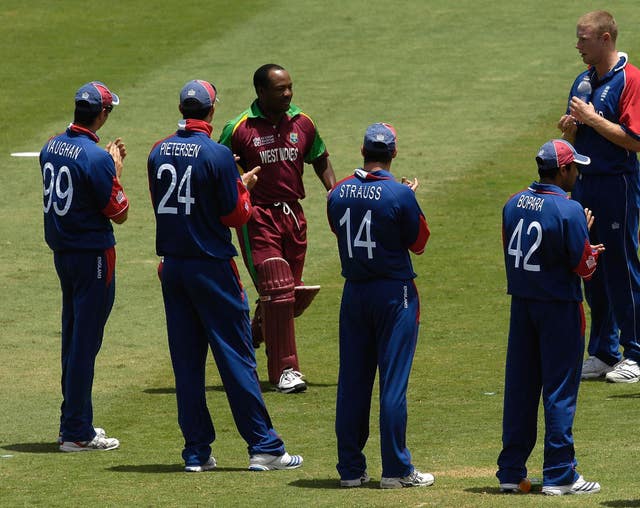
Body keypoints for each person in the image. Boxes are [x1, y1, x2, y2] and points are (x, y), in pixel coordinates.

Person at [148, 79, 303, 473]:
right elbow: (236, 215)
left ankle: (196, 453)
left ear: (183, 109)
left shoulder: (157, 150)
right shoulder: (217, 155)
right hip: (212, 266)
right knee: (236, 357)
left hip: (173, 266)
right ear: (212, 110)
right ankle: (264, 447)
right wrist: (243, 188)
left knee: (186, 363)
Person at [218, 63, 336, 393]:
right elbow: (215, 163)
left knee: (287, 296)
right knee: (278, 287)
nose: (287, 94)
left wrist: (333, 191)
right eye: (280, 89)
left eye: (289, 87)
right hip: (257, 215)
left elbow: (320, 157)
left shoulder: (303, 122)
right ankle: (286, 371)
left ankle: (252, 333)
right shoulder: (239, 127)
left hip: (293, 217)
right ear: (260, 92)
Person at [327, 123, 433, 489]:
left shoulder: (338, 192)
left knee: (353, 382)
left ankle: (350, 471)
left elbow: (339, 229)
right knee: (393, 383)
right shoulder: (400, 196)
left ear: (362, 151)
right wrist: (408, 198)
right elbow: (418, 242)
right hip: (393, 294)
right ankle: (396, 471)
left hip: (354, 293)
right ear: (393, 154)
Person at [497, 139, 604, 496]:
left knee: (521, 389)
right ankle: (560, 474)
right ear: (562, 171)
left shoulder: (512, 204)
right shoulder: (569, 210)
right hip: (558, 308)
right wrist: (588, 245)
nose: (578, 173)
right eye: (575, 167)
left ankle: (511, 472)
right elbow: (584, 267)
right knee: (559, 390)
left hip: (522, 307)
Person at [40, 81, 128, 452]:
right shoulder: (97, 158)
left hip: (64, 253)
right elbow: (119, 212)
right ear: (102, 114)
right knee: (85, 342)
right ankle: (76, 431)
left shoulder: (50, 146)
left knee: (74, 335)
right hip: (92, 254)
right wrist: (115, 169)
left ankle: (73, 421)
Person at [557, 10, 640, 383]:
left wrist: (590, 119)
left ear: (605, 39)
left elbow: (633, 140)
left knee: (621, 266)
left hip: (616, 184)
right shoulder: (583, 81)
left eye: (583, 39)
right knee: (591, 266)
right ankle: (604, 352)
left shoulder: (631, 79)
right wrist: (572, 128)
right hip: (584, 183)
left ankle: (636, 352)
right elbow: (578, 138)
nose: (577, 46)